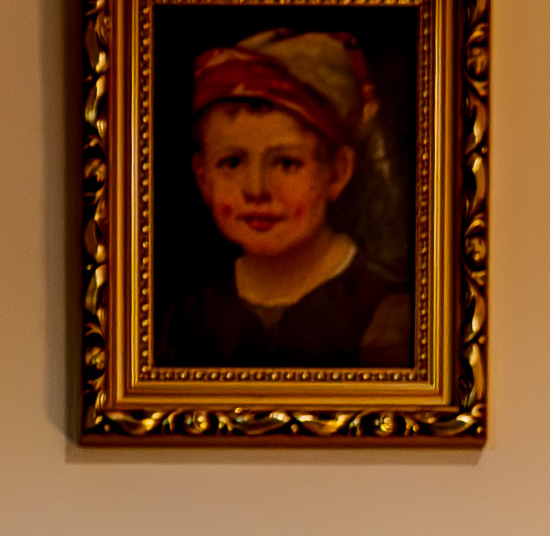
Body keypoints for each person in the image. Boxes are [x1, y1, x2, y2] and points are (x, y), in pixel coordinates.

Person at [167, 24, 417, 368]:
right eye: (232, 162)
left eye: (286, 163)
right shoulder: (186, 321)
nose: (256, 190)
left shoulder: (388, 317)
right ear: (203, 176)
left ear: (337, 171)